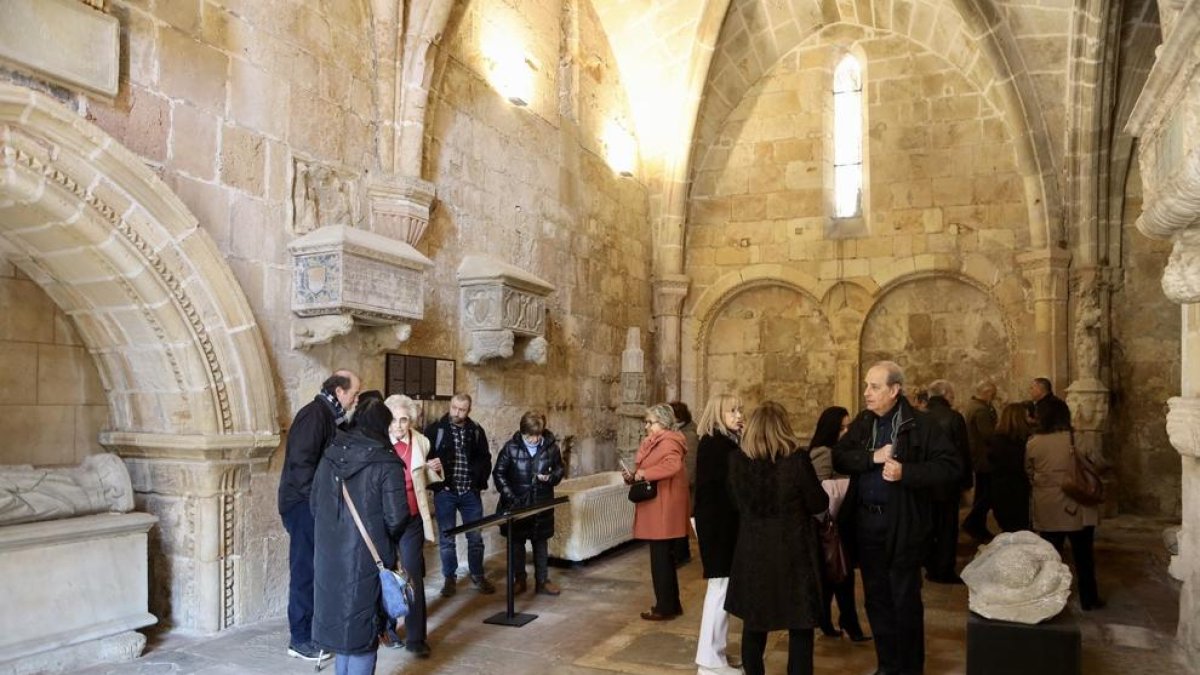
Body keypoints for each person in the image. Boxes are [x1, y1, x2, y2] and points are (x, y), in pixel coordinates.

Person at [833, 361, 960, 675]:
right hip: (867, 524)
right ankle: (887, 666)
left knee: (904, 601)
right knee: (876, 600)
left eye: (874, 387)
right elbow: (839, 456)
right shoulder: (864, 422)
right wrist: (871, 457)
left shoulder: (921, 424)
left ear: (895, 390)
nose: (866, 393)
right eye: (866, 386)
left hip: (903, 525)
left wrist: (907, 472)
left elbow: (951, 467)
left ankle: (910, 669)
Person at [725, 401, 828, 675]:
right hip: (793, 552)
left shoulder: (737, 461)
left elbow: (735, 503)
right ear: (784, 427)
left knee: (754, 624)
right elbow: (818, 503)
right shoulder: (796, 461)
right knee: (800, 625)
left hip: (753, 551)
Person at [310, 398, 410, 675]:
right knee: (363, 635)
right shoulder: (386, 462)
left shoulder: (330, 454)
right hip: (367, 557)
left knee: (343, 633)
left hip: (330, 556)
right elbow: (397, 517)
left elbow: (315, 505)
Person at [278, 369, 360, 662]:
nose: (356, 399)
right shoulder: (315, 415)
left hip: (312, 506)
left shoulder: (329, 416)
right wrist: (318, 506)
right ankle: (299, 639)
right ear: (340, 392)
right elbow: (302, 467)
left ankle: (313, 633)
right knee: (304, 572)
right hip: (303, 506)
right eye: (354, 393)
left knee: (315, 572)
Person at [1025, 397, 1104, 610]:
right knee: (1084, 556)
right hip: (1079, 503)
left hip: (1049, 504)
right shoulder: (1077, 439)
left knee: (1050, 555)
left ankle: (1048, 599)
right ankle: (1089, 598)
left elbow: (1029, 472)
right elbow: (1096, 462)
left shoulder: (1034, 443)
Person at [381, 395, 443, 658]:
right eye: (393, 420)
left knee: (412, 574)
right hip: (383, 519)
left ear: (411, 420)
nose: (398, 426)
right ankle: (387, 629)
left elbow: (424, 480)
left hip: (411, 518)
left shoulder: (421, 441)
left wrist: (434, 469)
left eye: (403, 419)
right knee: (385, 573)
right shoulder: (380, 442)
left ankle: (417, 637)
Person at [693, 393, 745, 675]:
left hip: (719, 522)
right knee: (720, 589)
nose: (739, 415)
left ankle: (714, 655)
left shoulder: (721, 442)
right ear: (718, 414)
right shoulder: (718, 445)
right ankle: (710, 662)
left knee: (720, 588)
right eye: (732, 411)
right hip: (719, 524)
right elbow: (728, 490)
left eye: (740, 410)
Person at [807, 406, 869, 642]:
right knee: (839, 572)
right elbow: (821, 490)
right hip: (832, 522)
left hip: (842, 521)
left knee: (839, 573)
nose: (846, 431)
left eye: (848, 427)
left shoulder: (840, 451)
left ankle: (836, 619)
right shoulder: (824, 452)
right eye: (841, 427)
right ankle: (845, 622)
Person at [424, 393, 496, 596]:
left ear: (468, 411)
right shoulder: (435, 429)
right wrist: (436, 480)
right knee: (447, 538)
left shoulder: (475, 431)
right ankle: (449, 578)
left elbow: (485, 458)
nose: (456, 413)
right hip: (445, 492)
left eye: (461, 410)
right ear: (450, 405)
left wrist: (478, 482)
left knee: (475, 537)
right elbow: (424, 457)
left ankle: (477, 574)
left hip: (469, 492)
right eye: (454, 407)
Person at [623, 403, 690, 621]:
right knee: (663, 559)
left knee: (661, 560)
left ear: (663, 422)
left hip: (664, 507)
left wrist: (645, 474)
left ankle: (665, 607)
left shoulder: (669, 441)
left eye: (650, 422)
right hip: (658, 505)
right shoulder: (658, 441)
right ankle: (670, 604)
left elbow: (672, 466)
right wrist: (634, 476)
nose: (646, 426)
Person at [492, 410, 565, 595]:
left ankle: (542, 581)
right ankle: (520, 579)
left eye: (537, 435)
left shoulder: (551, 448)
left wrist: (550, 478)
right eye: (530, 436)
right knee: (517, 544)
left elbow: (559, 469)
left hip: (541, 503)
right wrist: (510, 496)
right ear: (523, 433)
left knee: (540, 544)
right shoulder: (511, 448)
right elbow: (498, 473)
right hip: (518, 504)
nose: (534, 439)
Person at [922, 380, 971, 584]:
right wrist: (966, 480)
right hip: (946, 481)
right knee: (947, 528)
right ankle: (943, 569)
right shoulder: (954, 418)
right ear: (946, 395)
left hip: (923, 480)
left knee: (927, 525)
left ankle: (930, 565)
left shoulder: (918, 417)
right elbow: (962, 452)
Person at [961, 381, 999, 542]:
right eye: (994, 394)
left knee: (982, 494)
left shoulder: (973, 406)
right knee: (987, 494)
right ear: (988, 392)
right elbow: (988, 435)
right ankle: (972, 522)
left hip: (979, 457)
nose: (995, 397)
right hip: (985, 459)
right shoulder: (981, 410)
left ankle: (977, 525)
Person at [987, 403, 1032, 532]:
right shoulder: (1024, 440)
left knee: (1007, 528)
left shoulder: (996, 439)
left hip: (1000, 488)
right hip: (1018, 489)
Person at [670, 401, 699, 567]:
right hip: (678, 484)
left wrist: (683, 483)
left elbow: (690, 463)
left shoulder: (689, 435)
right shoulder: (679, 431)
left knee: (680, 520)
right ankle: (681, 553)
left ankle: (680, 554)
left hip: (683, 486)